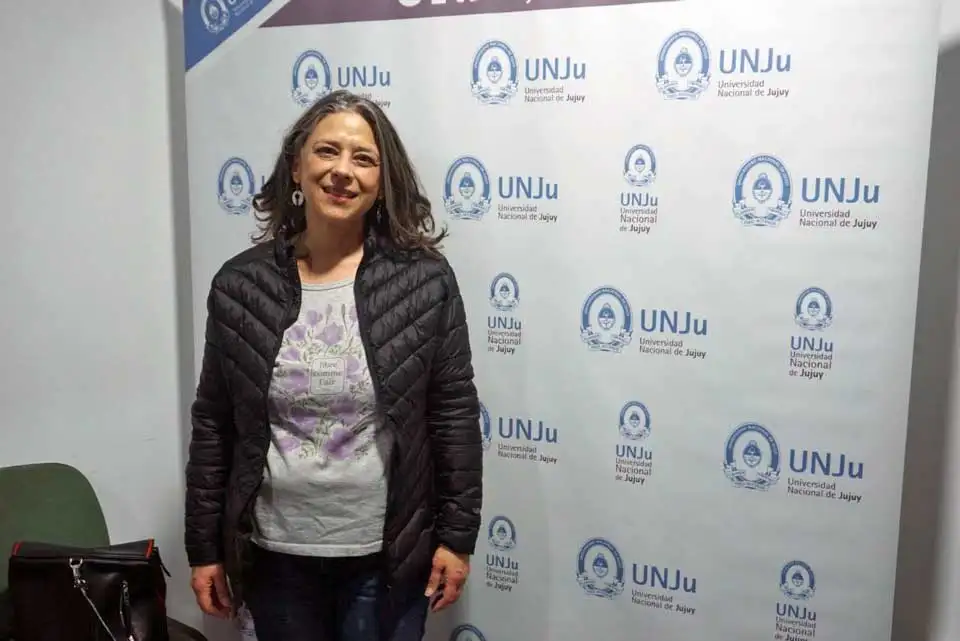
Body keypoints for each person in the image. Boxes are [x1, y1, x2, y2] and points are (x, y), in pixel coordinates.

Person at [184, 89, 483, 641]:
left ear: (382, 182)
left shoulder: (425, 281)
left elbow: (452, 414)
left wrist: (456, 538)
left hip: (386, 558)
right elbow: (214, 423)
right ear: (297, 167)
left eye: (363, 158)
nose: (343, 170)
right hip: (275, 558)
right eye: (327, 151)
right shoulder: (240, 285)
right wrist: (204, 549)